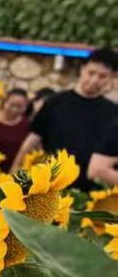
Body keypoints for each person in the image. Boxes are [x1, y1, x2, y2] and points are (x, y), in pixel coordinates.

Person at [12, 48, 118, 190]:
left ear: (112, 77)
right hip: (51, 185)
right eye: (91, 73)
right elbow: (31, 141)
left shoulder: (113, 112)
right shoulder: (54, 102)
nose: (94, 80)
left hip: (92, 191)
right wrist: (14, 174)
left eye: (102, 76)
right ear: (82, 69)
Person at [0, 89, 32, 172]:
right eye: (11, 105)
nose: (14, 110)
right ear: (4, 102)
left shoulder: (27, 125)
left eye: (19, 107)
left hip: (11, 171)